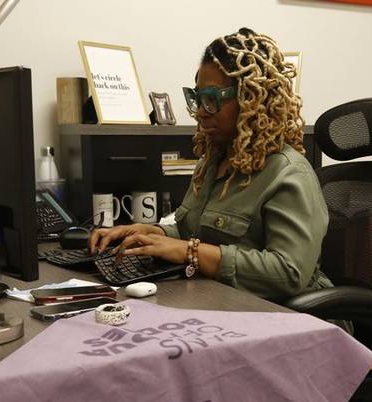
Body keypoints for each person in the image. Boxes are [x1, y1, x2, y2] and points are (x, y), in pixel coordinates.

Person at [89, 28, 331, 302]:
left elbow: (289, 274)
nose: (201, 112)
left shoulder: (289, 173)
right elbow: (191, 229)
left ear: (251, 98)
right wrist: (151, 233)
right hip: (221, 303)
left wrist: (189, 251)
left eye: (212, 99)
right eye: (198, 98)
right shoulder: (213, 161)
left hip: (290, 318)